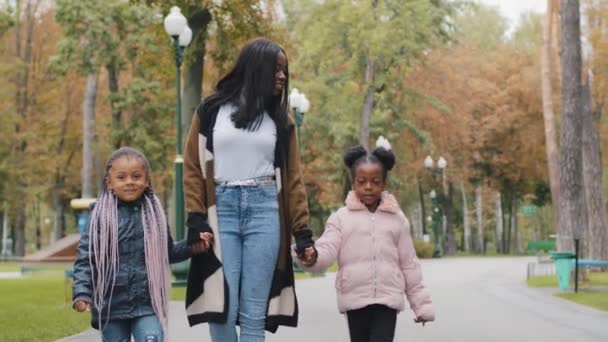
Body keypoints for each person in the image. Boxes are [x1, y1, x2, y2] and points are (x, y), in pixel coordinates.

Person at [182, 37, 314, 341]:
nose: (282, 76)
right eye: (276, 69)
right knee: (222, 308)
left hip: (265, 210)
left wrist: (302, 231)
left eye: (284, 70)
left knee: (254, 313)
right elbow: (193, 167)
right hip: (221, 212)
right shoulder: (210, 111)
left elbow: (293, 180)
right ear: (256, 68)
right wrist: (196, 217)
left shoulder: (282, 121)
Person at [295, 137, 435, 342]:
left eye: (375, 182)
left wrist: (421, 305)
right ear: (353, 184)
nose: (368, 187)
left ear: (384, 184)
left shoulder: (397, 220)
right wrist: (312, 255)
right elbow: (327, 248)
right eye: (362, 182)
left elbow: (409, 265)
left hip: (387, 300)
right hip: (355, 299)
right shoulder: (341, 218)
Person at [72, 147, 211, 342]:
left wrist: (192, 247)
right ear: (109, 183)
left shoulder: (155, 215)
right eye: (121, 177)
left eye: (136, 176)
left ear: (146, 181)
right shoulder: (98, 217)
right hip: (111, 306)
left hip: (147, 305)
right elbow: (86, 258)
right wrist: (81, 293)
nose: (129, 182)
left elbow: (167, 252)